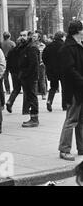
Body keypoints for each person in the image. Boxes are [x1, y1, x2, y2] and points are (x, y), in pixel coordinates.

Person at [58, 20, 83, 161]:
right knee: (72, 119)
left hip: (79, 89)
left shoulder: (78, 45)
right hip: (73, 90)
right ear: (78, 30)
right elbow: (69, 70)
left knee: (81, 120)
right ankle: (64, 149)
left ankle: (81, 147)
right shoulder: (67, 47)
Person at [18, 30, 40, 128]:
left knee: (32, 96)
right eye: (21, 35)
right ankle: (33, 117)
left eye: (24, 35)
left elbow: (34, 64)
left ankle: (34, 118)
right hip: (26, 75)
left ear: (29, 36)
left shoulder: (31, 48)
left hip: (30, 76)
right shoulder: (25, 47)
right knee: (30, 96)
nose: (22, 37)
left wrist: (26, 74)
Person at [43, 30, 66, 112]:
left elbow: (44, 57)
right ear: (62, 37)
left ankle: (49, 101)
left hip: (52, 70)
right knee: (64, 88)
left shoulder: (49, 46)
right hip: (63, 70)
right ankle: (64, 105)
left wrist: (48, 65)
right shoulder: (64, 46)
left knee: (53, 87)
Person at [5, 37, 24, 113]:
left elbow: (8, 62)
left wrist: (10, 70)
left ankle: (10, 101)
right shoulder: (23, 51)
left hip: (13, 72)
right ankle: (25, 108)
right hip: (21, 71)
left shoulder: (11, 51)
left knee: (16, 89)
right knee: (25, 90)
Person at [32, 31, 47, 101]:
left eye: (35, 36)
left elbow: (46, 55)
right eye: (33, 36)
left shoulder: (42, 46)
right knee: (34, 79)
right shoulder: (31, 45)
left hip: (41, 65)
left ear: (38, 38)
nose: (33, 37)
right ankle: (35, 93)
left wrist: (44, 62)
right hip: (34, 65)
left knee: (42, 79)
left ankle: (43, 94)